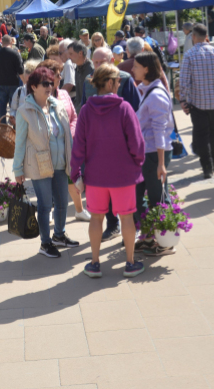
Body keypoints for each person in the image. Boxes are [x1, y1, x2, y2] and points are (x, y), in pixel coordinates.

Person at [72, 64, 145, 278]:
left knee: (96, 218)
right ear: (111, 82)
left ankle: (94, 263)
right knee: (127, 218)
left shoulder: (85, 110)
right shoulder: (124, 108)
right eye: (119, 80)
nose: (121, 83)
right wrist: (137, 162)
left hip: (95, 176)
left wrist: (76, 173)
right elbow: (137, 144)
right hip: (123, 175)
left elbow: (79, 145)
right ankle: (130, 263)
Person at [13, 67, 77, 258]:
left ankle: (59, 235)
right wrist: (17, 169)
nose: (50, 86)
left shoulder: (57, 105)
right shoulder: (25, 111)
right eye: (45, 83)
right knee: (44, 205)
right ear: (33, 86)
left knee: (62, 203)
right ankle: (45, 243)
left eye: (51, 82)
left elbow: (67, 136)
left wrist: (73, 160)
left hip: (61, 162)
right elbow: (20, 142)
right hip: (40, 164)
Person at [130, 53, 176, 256]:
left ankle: (165, 241)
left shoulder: (156, 95)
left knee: (158, 198)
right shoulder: (148, 90)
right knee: (139, 196)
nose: (133, 70)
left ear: (146, 69)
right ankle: (148, 237)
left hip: (153, 155)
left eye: (136, 66)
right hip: (147, 154)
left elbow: (160, 131)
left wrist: (160, 163)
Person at [38, 59, 90, 221]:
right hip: (48, 147)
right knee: (50, 179)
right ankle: (52, 210)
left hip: (68, 145)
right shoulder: (37, 97)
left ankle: (79, 210)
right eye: (57, 75)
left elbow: (73, 116)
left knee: (71, 177)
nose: (61, 78)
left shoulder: (64, 94)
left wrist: (71, 134)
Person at [179, 23, 214, 178]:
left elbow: (184, 81)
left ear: (193, 37)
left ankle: (207, 167)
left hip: (198, 103)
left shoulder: (189, 55)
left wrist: (183, 100)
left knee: (201, 135)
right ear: (206, 36)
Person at [0, 35, 24, 119]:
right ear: (11, 42)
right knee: (14, 107)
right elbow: (20, 70)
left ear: (2, 42)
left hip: (1, 82)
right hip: (13, 82)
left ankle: (2, 126)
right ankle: (15, 126)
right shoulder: (15, 53)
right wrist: (24, 82)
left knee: (2, 106)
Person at [9, 60, 39, 126]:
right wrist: (13, 117)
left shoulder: (41, 92)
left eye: (32, 81)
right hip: (21, 126)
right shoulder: (19, 91)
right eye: (27, 81)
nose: (30, 84)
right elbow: (13, 109)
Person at [67, 41, 93, 114]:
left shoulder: (91, 70)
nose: (69, 57)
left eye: (71, 54)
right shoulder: (78, 68)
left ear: (80, 53)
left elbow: (89, 97)